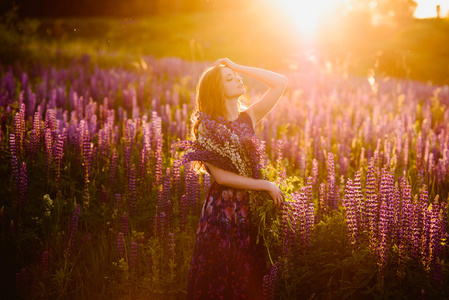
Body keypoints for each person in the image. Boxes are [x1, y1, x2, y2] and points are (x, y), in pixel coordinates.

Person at [186, 58, 288, 299]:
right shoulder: (206, 126)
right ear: (217, 90)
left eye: (236, 76)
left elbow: (281, 82)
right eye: (229, 79)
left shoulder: (248, 117)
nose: (238, 79)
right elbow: (220, 177)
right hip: (224, 210)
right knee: (220, 274)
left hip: (251, 208)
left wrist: (237, 67)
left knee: (248, 274)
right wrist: (265, 185)